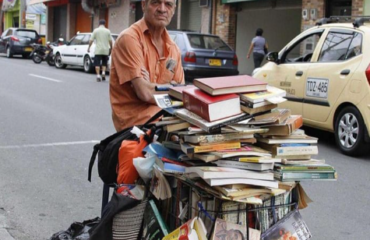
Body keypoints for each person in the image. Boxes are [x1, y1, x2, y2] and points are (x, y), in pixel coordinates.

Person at [109, 0, 184, 132]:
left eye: (168, 4)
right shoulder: (130, 39)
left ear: (174, 9)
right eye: (156, 3)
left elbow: (181, 95)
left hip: (165, 122)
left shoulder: (173, 49)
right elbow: (144, 92)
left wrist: (152, 85)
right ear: (143, 5)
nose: (162, 9)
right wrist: (170, 87)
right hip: (135, 129)